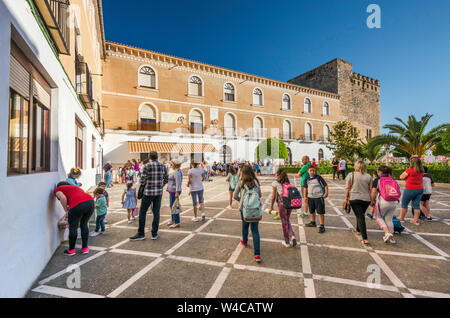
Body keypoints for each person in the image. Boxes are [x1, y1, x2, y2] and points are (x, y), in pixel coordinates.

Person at [129, 151, 168, 241]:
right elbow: (166, 179)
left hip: (148, 193)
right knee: (156, 212)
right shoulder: (162, 166)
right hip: (158, 193)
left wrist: (146, 183)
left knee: (143, 212)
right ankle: (154, 234)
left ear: (149, 157)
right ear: (157, 157)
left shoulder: (147, 166)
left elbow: (142, 180)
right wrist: (161, 186)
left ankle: (141, 233)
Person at [54, 182, 95, 256]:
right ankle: (85, 248)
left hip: (77, 205)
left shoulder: (58, 189)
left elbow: (62, 198)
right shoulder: (75, 188)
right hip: (90, 202)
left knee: (73, 227)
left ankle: (71, 250)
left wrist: (66, 211)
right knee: (84, 224)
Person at [233, 165, 262, 263]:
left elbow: (235, 195)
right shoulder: (256, 182)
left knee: (245, 226)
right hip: (255, 209)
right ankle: (257, 254)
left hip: (244, 209)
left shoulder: (240, 183)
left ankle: (244, 242)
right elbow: (260, 195)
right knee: (255, 231)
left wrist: (241, 201)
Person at [345, 160, 372, 245]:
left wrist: (346, 197)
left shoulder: (351, 174)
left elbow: (347, 188)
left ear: (356, 166)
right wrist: (373, 200)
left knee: (360, 216)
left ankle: (365, 238)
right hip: (366, 199)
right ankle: (358, 229)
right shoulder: (369, 176)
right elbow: (371, 189)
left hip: (354, 198)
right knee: (360, 214)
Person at [270, 168, 297, 247]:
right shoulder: (289, 182)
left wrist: (271, 206)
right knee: (287, 220)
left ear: (278, 174)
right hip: (290, 203)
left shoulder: (275, 183)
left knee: (284, 222)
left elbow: (274, 196)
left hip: (282, 204)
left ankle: (287, 242)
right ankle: (292, 235)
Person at [370, 166, 398, 244]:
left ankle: (387, 233)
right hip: (394, 201)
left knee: (378, 217)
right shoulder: (392, 179)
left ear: (379, 172)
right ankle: (391, 237)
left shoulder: (377, 180)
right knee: (389, 219)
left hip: (383, 201)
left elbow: (373, 192)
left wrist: (372, 200)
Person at [399, 157, 425, 225]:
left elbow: (401, 177)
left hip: (410, 189)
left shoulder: (409, 170)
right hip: (420, 189)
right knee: (416, 205)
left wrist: (406, 178)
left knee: (404, 204)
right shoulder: (421, 170)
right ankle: (415, 220)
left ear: (412, 162)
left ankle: (401, 218)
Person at [303, 165, 328, 233]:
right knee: (312, 211)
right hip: (310, 197)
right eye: (311, 170)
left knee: (320, 211)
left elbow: (325, 185)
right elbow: (305, 188)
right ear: (308, 171)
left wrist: (326, 193)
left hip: (319, 197)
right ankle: (313, 222)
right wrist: (305, 196)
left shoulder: (318, 177)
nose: (312, 172)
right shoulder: (307, 179)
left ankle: (322, 225)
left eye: (313, 170)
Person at [167, 160, 183, 228]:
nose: (171, 166)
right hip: (172, 191)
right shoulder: (178, 171)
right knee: (172, 206)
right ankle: (173, 219)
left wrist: (177, 192)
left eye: (171, 164)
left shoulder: (176, 172)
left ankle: (177, 222)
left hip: (174, 191)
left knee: (174, 206)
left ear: (174, 165)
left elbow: (178, 182)